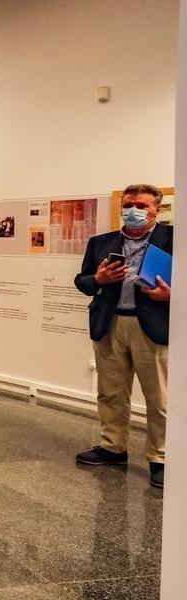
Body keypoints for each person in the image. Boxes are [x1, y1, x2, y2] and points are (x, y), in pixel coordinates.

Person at [73, 183, 172, 489]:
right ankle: (113, 446)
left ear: (156, 209)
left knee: (160, 398)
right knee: (111, 392)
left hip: (154, 325)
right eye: (128, 205)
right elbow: (82, 280)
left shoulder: (174, 240)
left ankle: (162, 457)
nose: (133, 211)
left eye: (141, 206)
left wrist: (171, 296)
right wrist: (98, 279)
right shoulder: (100, 242)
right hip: (110, 322)